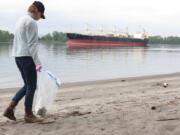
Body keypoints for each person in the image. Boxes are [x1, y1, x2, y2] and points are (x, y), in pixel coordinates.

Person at [3, 1, 45, 123]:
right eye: (41, 15)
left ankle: (10, 108)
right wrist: (38, 62)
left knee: (27, 85)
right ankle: (28, 114)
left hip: (18, 56)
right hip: (27, 57)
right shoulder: (31, 23)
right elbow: (32, 45)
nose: (40, 18)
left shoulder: (20, 20)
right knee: (32, 86)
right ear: (37, 11)